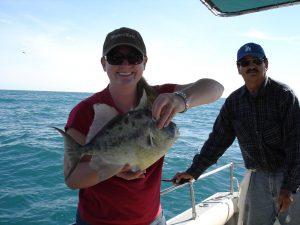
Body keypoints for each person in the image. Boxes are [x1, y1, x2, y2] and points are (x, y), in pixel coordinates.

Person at [64, 27, 224, 225]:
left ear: (144, 62)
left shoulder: (159, 97)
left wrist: (181, 99)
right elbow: (72, 179)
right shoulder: (85, 111)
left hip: (152, 219)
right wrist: (114, 166)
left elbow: (215, 88)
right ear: (104, 63)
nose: (125, 64)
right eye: (115, 57)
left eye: (134, 57)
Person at [173, 42, 300, 225]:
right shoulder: (233, 102)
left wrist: (289, 187)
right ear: (238, 69)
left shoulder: (284, 96)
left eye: (256, 61)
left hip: (288, 175)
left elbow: (296, 145)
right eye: (245, 63)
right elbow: (217, 141)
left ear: (266, 64)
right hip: (257, 177)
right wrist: (194, 171)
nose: (251, 66)